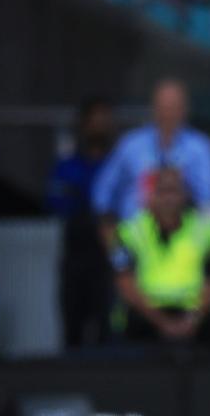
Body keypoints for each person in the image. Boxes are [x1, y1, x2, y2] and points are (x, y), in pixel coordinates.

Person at [111, 168, 210, 349]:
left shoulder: (204, 231)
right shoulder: (129, 232)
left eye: (174, 191)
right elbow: (126, 285)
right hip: (147, 313)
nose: (169, 198)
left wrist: (191, 321)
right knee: (128, 328)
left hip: (189, 313)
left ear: (184, 194)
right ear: (150, 196)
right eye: (162, 191)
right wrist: (163, 322)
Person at [92, 79, 210, 232]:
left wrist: (174, 195)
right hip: (133, 237)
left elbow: (209, 201)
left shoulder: (201, 148)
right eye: (163, 108)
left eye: (173, 108)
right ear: (154, 109)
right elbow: (101, 194)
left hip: (181, 240)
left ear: (185, 110)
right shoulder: (131, 144)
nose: (167, 114)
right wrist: (107, 229)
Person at [48, 98, 117, 349]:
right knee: (72, 330)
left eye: (104, 122)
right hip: (76, 256)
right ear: (83, 126)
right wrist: (94, 206)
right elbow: (57, 203)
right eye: (94, 121)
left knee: (109, 328)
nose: (100, 127)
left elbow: (126, 205)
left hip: (110, 257)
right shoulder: (67, 166)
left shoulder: (119, 165)